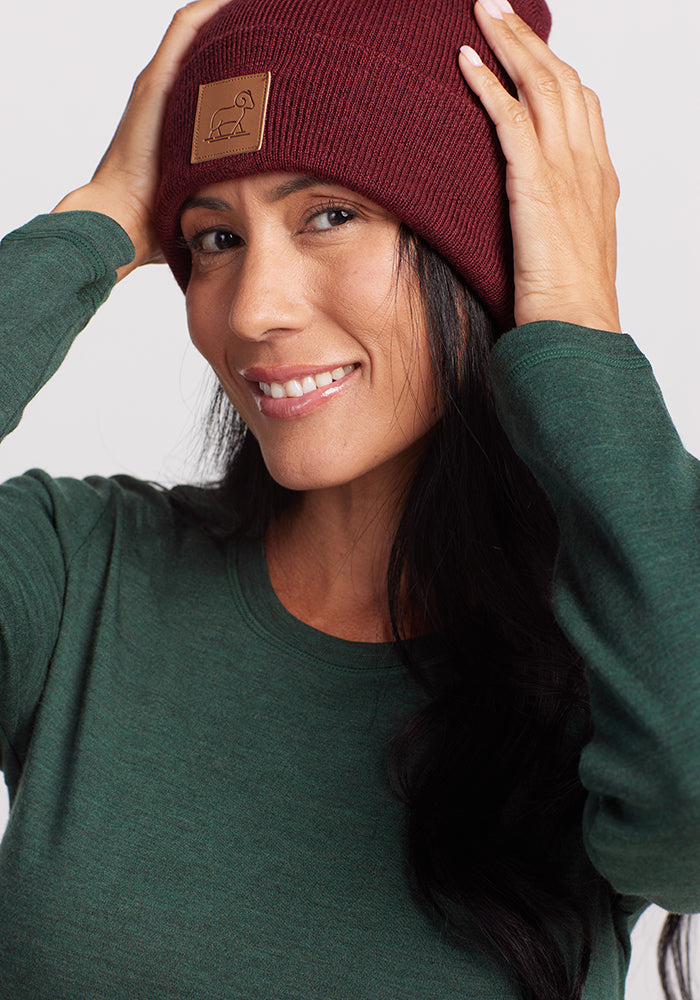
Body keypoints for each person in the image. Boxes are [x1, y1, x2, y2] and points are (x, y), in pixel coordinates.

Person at [0, 0, 698, 997]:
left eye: (329, 214)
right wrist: (92, 224)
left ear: (485, 244)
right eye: (211, 237)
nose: (253, 309)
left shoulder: (613, 644)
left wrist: (579, 327)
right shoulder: (78, 576)